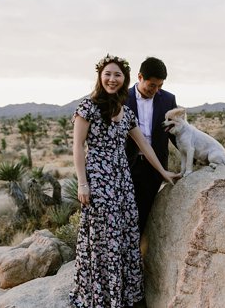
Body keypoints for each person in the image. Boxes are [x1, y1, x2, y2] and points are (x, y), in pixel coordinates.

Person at [68, 54, 179, 307]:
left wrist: (164, 172)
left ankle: (122, 295)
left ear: (124, 79)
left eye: (117, 75)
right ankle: (100, 296)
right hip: (98, 180)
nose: (112, 79)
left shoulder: (126, 112)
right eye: (108, 73)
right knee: (102, 239)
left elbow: (145, 146)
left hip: (122, 181)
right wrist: (82, 183)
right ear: (100, 76)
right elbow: (77, 147)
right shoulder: (87, 107)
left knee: (126, 236)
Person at [124, 57, 177, 234]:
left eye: (160, 86)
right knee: (126, 213)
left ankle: (140, 255)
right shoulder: (122, 98)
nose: (156, 90)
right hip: (127, 165)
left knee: (147, 214)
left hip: (155, 167)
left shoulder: (168, 99)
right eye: (152, 85)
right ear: (140, 77)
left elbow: (174, 133)